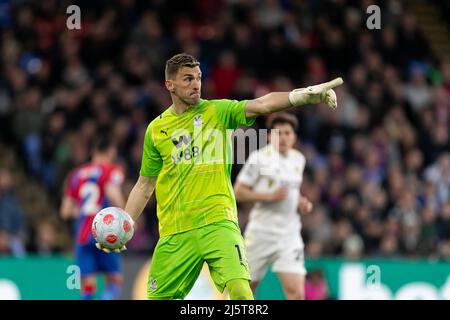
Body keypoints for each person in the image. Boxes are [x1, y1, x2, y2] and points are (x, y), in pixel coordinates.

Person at [95, 53, 342, 300]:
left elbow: (262, 104)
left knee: (241, 293)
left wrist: (303, 95)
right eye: (188, 79)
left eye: (199, 78)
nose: (196, 84)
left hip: (218, 223)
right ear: (169, 84)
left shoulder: (217, 111)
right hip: (175, 231)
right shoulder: (156, 130)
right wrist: (125, 223)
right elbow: (144, 185)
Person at [234, 112, 313, 299]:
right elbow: (238, 192)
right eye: (278, 133)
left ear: (294, 137)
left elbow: (292, 189)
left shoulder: (298, 159)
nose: (283, 138)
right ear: (269, 136)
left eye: (287, 133)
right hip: (261, 232)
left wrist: (301, 201)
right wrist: (269, 197)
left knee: (297, 294)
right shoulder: (259, 158)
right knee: (245, 291)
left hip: (289, 234)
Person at [60, 136, 125, 300]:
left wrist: (84, 213)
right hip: (106, 232)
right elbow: (114, 196)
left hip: (83, 235)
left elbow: (66, 211)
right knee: (114, 281)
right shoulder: (109, 171)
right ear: (110, 152)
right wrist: (128, 218)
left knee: (88, 285)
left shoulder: (75, 175)